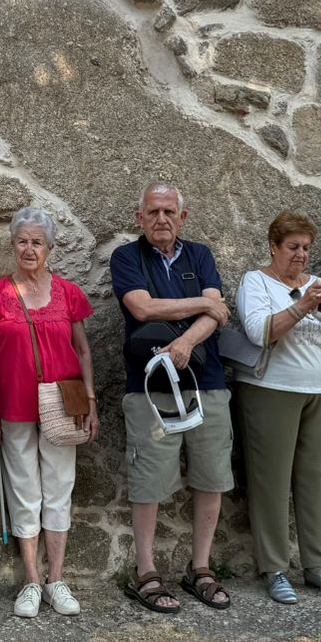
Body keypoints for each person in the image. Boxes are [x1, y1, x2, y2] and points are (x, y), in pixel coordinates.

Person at [109, 183, 236, 614]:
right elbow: (142, 308)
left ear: (183, 217)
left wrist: (184, 343)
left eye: (169, 212)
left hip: (207, 382)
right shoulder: (127, 257)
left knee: (211, 476)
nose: (161, 219)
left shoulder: (200, 255)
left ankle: (200, 569)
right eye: (153, 212)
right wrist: (203, 304)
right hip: (150, 387)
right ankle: (146, 572)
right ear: (139, 218)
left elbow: (218, 315)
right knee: (149, 482)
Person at [234, 212, 321, 603]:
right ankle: (275, 569)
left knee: (312, 479)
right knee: (271, 483)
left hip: (318, 390)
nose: (301, 255)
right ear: (274, 246)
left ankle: (318, 567)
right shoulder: (256, 282)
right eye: (293, 247)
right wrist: (303, 305)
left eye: (306, 248)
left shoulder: (317, 285)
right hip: (270, 390)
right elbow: (260, 332)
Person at [0, 208, 96, 619]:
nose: (29, 249)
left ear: (50, 248)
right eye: (22, 241)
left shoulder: (69, 293)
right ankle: (31, 580)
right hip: (13, 406)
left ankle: (56, 580)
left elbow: (82, 350)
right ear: (12, 245)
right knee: (23, 489)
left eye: (37, 242)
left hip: (64, 405)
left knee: (59, 486)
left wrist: (91, 402)